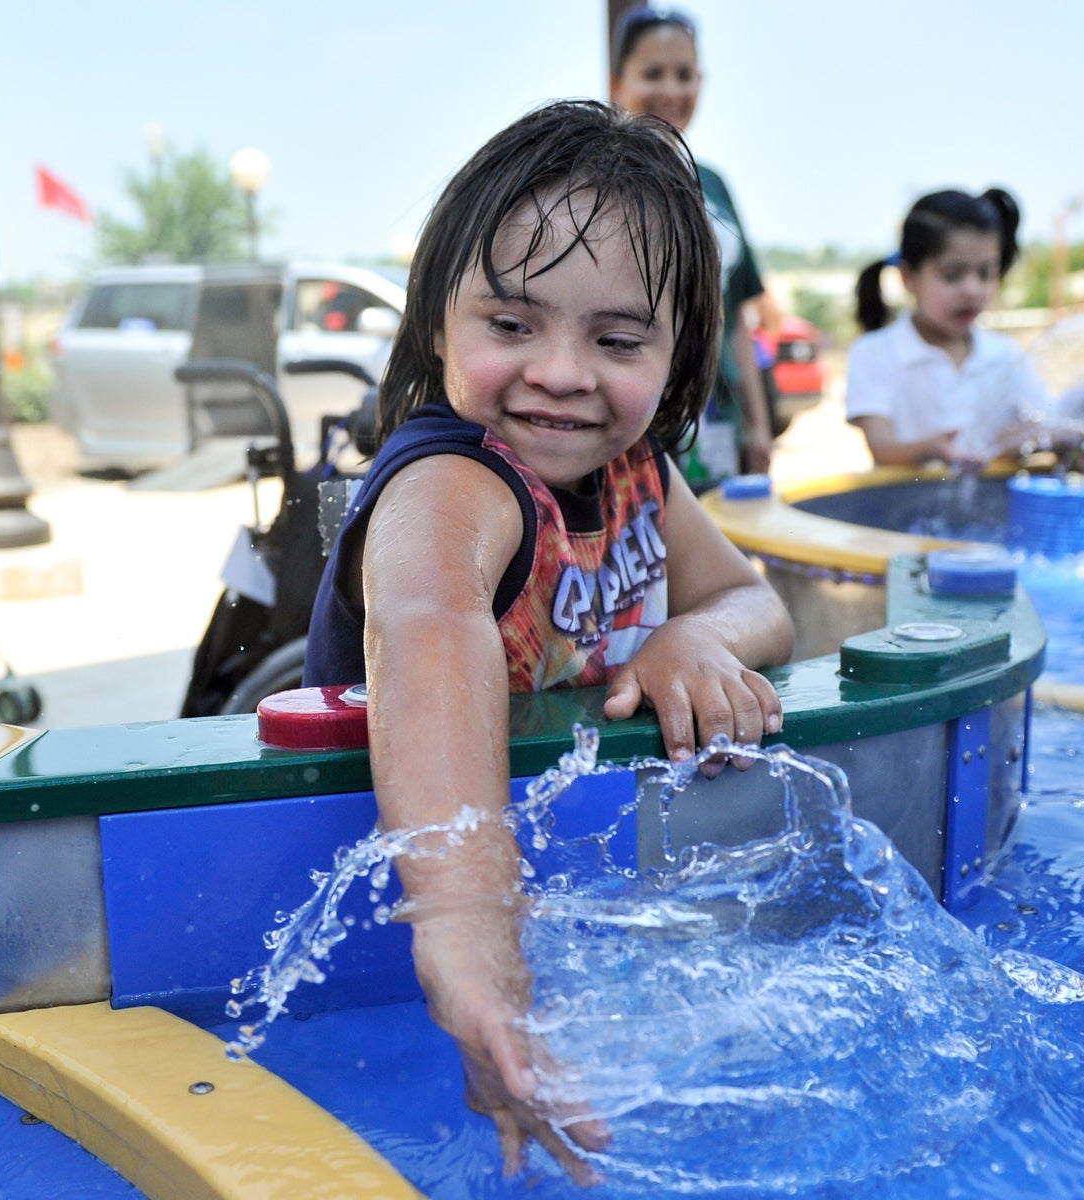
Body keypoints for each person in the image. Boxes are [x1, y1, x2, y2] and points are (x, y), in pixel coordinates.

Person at [302, 100, 794, 1182]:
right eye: (511, 326)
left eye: (615, 340)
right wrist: (467, 928)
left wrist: (689, 641)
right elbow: (431, 629)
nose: (562, 372)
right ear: (438, 325)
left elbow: (756, 603)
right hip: (391, 909)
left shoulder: (641, 476)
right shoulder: (453, 482)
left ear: (678, 357)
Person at [608, 5, 775, 486]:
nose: (672, 90)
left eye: (685, 74)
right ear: (617, 82)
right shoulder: (600, 184)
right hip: (637, 419)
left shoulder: (715, 185)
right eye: (653, 73)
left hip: (717, 417)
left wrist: (759, 427)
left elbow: (737, 316)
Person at [845, 188, 1049, 468]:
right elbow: (882, 446)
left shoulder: (1005, 355)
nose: (972, 289)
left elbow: (1044, 423)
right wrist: (931, 449)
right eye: (952, 275)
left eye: (986, 273)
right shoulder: (875, 352)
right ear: (908, 277)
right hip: (902, 506)